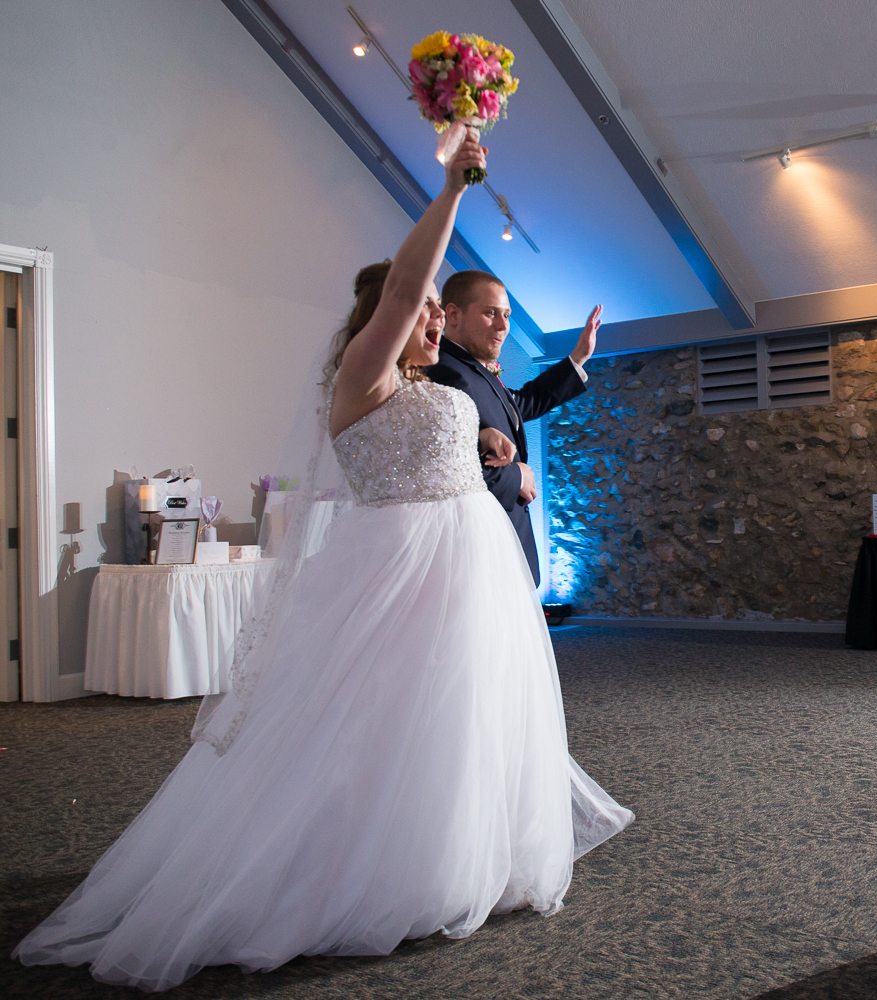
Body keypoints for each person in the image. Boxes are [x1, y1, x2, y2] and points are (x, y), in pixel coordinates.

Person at [13, 131, 632, 992]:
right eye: (419, 313)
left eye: (430, 318)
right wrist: (451, 188)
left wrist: (487, 436)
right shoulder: (363, 375)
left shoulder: (425, 387)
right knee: (376, 720)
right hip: (402, 570)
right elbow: (411, 294)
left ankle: (447, 854)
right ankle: (353, 870)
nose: (431, 321)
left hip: (472, 575)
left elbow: (448, 440)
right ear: (386, 317)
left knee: (457, 719)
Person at [428, 271, 601, 585]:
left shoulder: (473, 369)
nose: (503, 325)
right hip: (479, 546)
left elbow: (519, 405)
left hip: (503, 539)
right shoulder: (445, 370)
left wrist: (578, 358)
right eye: (490, 313)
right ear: (453, 314)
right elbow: (447, 469)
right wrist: (517, 476)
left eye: (506, 315)